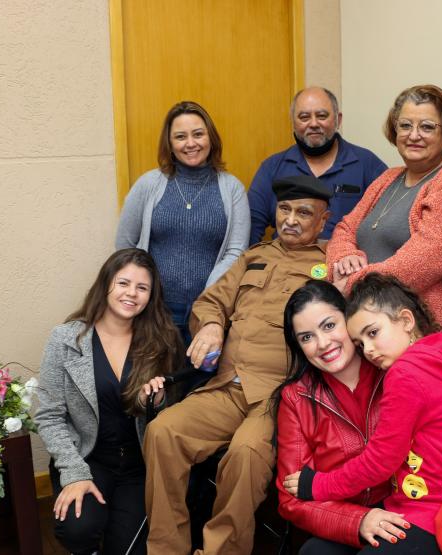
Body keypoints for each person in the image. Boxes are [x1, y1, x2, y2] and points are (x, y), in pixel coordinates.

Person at [142, 175, 332, 554]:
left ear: (323, 220)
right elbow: (211, 301)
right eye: (284, 209)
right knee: (163, 431)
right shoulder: (253, 257)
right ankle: (166, 547)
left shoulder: (332, 264)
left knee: (246, 455)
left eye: (303, 213)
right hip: (227, 387)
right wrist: (212, 325)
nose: (290, 220)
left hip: (279, 399)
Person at [275, 279, 442, 554]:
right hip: (371, 509)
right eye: (306, 337)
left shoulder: (396, 369)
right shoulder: (297, 397)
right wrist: (358, 520)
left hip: (422, 509)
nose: (323, 343)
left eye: (329, 326)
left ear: (348, 319)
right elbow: (292, 498)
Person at [35, 248, 184, 555]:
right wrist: (74, 474)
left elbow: (174, 419)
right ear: (106, 284)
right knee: (78, 528)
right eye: (123, 283)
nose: (132, 294)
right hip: (88, 458)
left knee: (129, 550)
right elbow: (49, 416)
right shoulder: (65, 339)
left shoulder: (162, 341)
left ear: (151, 296)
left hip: (138, 466)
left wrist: (154, 403)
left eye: (142, 288)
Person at [326, 84, 442, 328]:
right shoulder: (388, 177)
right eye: (405, 125)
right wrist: (344, 256)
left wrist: (353, 282)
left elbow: (424, 260)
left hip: (413, 325)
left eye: (427, 127)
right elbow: (344, 229)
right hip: (363, 319)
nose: (413, 135)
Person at [116, 100, 250, 345]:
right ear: (169, 144)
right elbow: (125, 245)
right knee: (154, 370)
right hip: (154, 310)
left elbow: (236, 250)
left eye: (198, 134)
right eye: (180, 136)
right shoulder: (149, 184)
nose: (190, 143)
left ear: (211, 138)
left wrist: (207, 296)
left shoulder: (232, 189)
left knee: (201, 370)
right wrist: (142, 289)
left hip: (209, 311)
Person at [248, 86, 387, 244]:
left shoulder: (367, 164)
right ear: (293, 122)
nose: (313, 123)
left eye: (322, 116)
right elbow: (252, 227)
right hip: (288, 257)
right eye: (304, 117)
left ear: (338, 120)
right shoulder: (272, 167)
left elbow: (387, 223)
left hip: (346, 257)